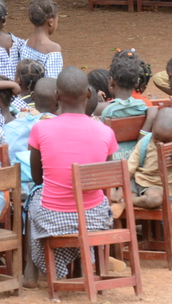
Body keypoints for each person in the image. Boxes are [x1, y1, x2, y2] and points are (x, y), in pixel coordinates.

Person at [25, 68, 121, 286]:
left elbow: (37, 179)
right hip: (94, 219)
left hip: (53, 220)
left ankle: (31, 271)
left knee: (34, 198)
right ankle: (80, 266)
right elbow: (107, 179)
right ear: (89, 94)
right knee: (94, 197)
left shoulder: (41, 129)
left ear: (57, 96)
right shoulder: (105, 131)